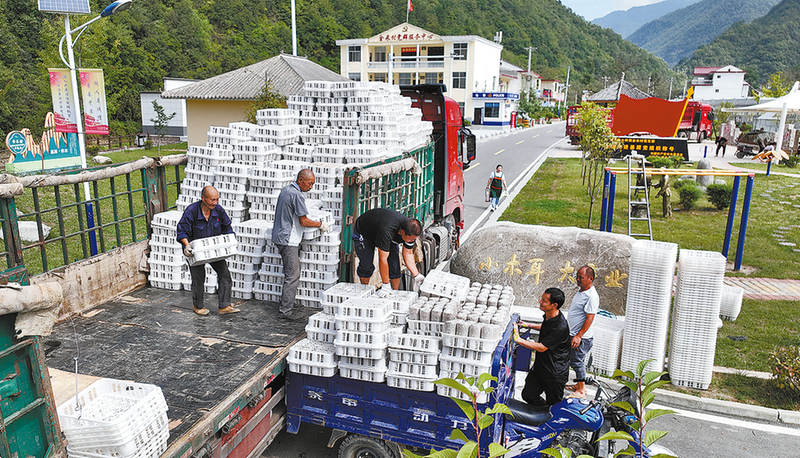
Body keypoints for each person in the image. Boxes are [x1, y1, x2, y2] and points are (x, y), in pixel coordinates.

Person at [272, 169, 330, 319]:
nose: (311, 187)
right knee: (292, 275)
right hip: (288, 240)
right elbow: (303, 221)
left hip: (280, 235)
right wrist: (320, 224)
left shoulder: (286, 190)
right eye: (310, 183)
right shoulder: (296, 195)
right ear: (300, 180)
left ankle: (288, 304)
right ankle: (285, 311)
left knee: (291, 273)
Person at [177, 185, 239, 316]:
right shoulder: (192, 211)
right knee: (198, 279)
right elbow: (182, 230)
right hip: (196, 252)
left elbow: (227, 227)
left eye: (217, 199)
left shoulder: (218, 210)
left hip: (213, 249)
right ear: (203, 198)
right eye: (212, 200)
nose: (215, 203)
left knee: (225, 275)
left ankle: (225, 305)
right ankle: (198, 306)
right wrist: (186, 245)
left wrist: (230, 240)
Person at [514, 287, 570, 406]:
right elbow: (545, 327)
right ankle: (542, 411)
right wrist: (528, 325)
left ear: (554, 305)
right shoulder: (549, 315)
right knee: (528, 395)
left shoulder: (560, 327)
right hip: (541, 367)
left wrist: (518, 340)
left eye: (544, 300)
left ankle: (547, 414)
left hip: (554, 373)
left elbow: (541, 347)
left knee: (554, 405)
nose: (540, 302)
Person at [352, 208, 425, 297]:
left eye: (414, 239)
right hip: (365, 233)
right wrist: (385, 284)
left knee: (395, 266)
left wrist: (416, 275)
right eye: (411, 239)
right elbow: (383, 259)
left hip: (385, 232)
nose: (412, 241)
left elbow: (408, 253)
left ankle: (395, 294)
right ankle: (365, 291)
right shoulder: (387, 230)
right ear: (402, 232)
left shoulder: (410, 231)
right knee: (367, 266)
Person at [566, 265, 599, 398]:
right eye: (577, 277)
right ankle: (579, 384)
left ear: (590, 279)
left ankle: (581, 389)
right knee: (576, 360)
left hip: (581, 337)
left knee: (577, 362)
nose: (578, 279)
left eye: (581, 277)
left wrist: (579, 336)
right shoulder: (582, 291)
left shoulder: (591, 296)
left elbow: (589, 318)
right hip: (573, 333)